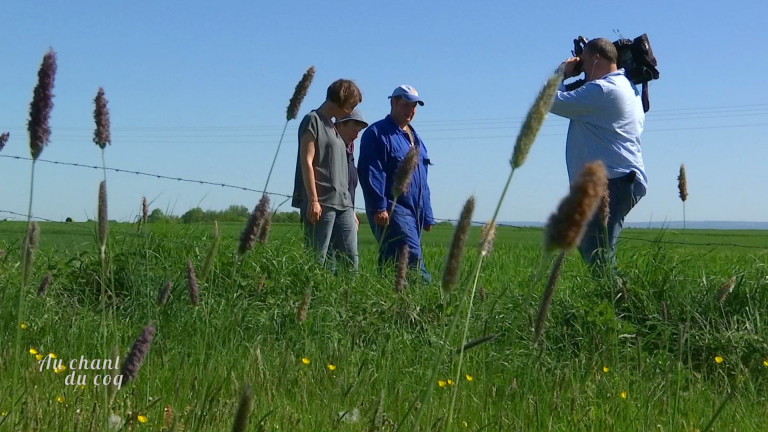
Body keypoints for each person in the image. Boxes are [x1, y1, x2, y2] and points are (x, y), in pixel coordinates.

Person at [549, 38, 647, 268]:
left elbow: (550, 102)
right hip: (621, 179)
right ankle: (620, 299)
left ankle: (621, 302)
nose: (581, 67)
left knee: (598, 255)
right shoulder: (627, 87)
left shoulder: (603, 89)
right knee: (595, 249)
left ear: (595, 58)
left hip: (612, 181)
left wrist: (561, 73)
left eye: (583, 62)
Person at [358, 85, 434, 282]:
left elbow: (422, 180)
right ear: (393, 103)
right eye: (406, 105)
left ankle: (387, 301)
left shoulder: (415, 138)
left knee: (393, 260)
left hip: (415, 211)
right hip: (393, 208)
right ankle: (433, 299)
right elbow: (371, 171)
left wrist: (427, 213)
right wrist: (378, 207)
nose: (410, 110)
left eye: (414, 106)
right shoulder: (377, 133)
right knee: (411, 255)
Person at [291, 79, 362, 270]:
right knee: (318, 260)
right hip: (322, 203)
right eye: (351, 105)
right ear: (341, 99)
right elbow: (306, 161)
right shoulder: (312, 120)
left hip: (343, 203)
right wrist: (313, 200)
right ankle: (312, 297)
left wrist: (352, 209)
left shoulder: (334, 127)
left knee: (350, 262)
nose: (350, 110)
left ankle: (346, 298)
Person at [334, 109, 369, 229]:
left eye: (359, 131)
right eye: (354, 130)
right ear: (339, 125)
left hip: (345, 211)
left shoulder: (349, 152)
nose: (356, 136)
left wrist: (352, 212)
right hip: (330, 212)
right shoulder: (331, 151)